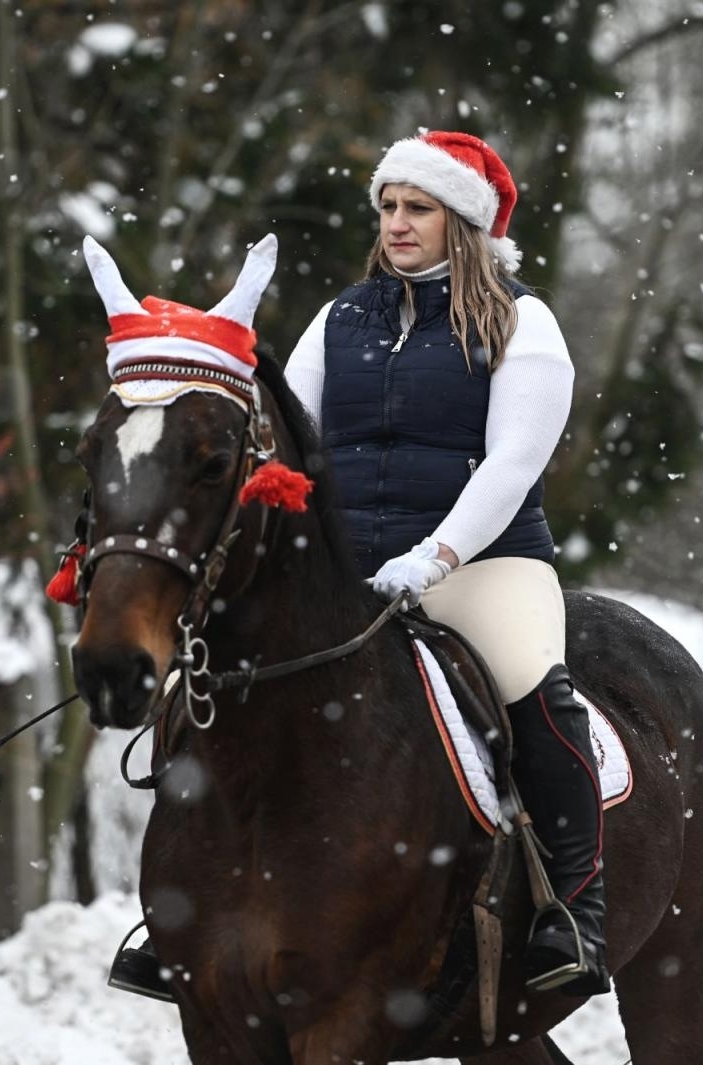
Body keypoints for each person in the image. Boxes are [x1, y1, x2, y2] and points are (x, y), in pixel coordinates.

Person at [109, 130, 608, 1000]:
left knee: (532, 685)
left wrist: (436, 555)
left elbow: (511, 465)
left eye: (417, 208)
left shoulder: (525, 322)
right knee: (221, 674)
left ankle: (571, 906)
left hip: (483, 561)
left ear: (465, 221)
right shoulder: (341, 318)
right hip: (350, 566)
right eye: (388, 207)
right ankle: (183, 911)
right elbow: (290, 439)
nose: (397, 224)